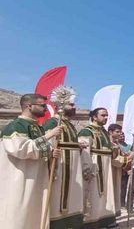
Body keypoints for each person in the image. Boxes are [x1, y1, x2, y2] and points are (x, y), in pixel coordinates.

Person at [0, 94, 62, 229]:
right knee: (19, 216)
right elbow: (20, 149)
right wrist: (49, 135)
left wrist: (52, 153)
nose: (46, 109)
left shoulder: (38, 127)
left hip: (37, 180)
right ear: (29, 106)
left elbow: (39, 149)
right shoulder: (16, 126)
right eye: (42, 105)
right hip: (20, 179)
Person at [42, 87, 85, 229]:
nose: (74, 107)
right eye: (71, 104)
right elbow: (48, 144)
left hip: (73, 168)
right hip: (60, 167)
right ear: (60, 105)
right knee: (58, 197)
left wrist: (77, 145)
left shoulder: (70, 125)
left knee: (73, 197)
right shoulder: (53, 123)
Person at [78, 107, 118, 228]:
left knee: (106, 193)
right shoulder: (87, 131)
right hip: (95, 166)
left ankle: (105, 219)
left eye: (107, 115)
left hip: (106, 167)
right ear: (94, 117)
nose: (106, 117)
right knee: (94, 194)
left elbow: (110, 151)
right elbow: (85, 152)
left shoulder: (105, 132)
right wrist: (86, 169)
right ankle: (91, 221)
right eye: (103, 115)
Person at [108, 123, 132, 217]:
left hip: (117, 171)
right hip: (110, 170)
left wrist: (129, 160)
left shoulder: (116, 143)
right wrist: (129, 158)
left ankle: (112, 215)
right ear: (110, 132)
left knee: (116, 191)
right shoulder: (108, 143)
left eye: (120, 132)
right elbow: (113, 159)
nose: (119, 134)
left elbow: (122, 155)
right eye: (117, 132)